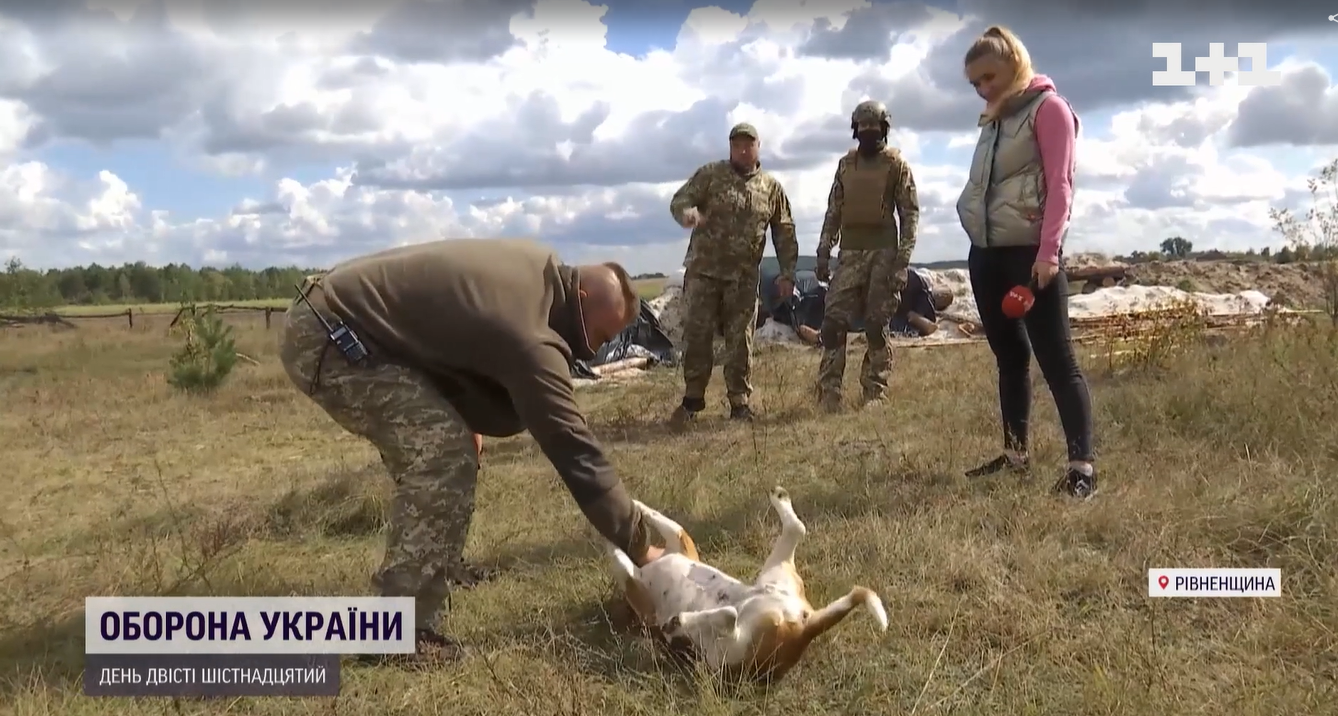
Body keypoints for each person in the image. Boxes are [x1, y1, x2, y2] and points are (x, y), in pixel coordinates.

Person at [277, 238, 663, 664]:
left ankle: (437, 563)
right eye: (600, 335)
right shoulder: (530, 332)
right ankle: (396, 631)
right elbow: (573, 447)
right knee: (443, 455)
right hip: (331, 337)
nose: (593, 349)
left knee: (451, 444)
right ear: (582, 299)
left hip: (348, 323)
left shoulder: (538, 268)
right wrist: (639, 542)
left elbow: (446, 328)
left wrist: (460, 408)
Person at [954, 26, 1097, 499]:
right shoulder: (994, 119)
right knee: (1010, 358)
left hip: (1030, 255)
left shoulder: (1048, 109)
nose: (983, 89)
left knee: (1058, 361)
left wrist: (1049, 252)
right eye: (975, 83)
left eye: (989, 76)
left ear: (1015, 62)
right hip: (986, 254)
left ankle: (1082, 468)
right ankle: (1015, 456)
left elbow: (1061, 185)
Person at [668, 122, 799, 426]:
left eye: (748, 144)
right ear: (730, 147)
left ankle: (739, 402)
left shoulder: (770, 187)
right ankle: (692, 400)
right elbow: (680, 200)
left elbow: (785, 231)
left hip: (742, 278)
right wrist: (687, 214)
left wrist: (787, 272)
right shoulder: (710, 175)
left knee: (740, 341)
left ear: (758, 147)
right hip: (704, 273)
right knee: (698, 337)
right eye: (737, 144)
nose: (742, 149)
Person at [814, 100, 920, 412]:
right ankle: (829, 393)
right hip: (849, 252)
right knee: (833, 323)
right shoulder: (846, 166)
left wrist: (902, 263)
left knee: (876, 324)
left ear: (885, 130)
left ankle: (875, 391)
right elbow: (834, 211)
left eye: (874, 129)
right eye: (863, 129)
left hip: (884, 253)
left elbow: (910, 216)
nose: (869, 134)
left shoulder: (896, 165)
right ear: (855, 130)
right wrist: (823, 252)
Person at [889, 268, 954, 338]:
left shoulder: (919, 283)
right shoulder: (921, 287)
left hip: (897, 307)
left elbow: (930, 327)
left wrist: (912, 316)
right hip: (898, 312)